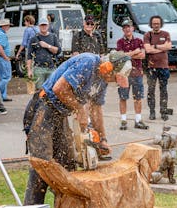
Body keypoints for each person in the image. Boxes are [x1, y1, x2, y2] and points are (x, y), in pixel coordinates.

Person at [23, 51, 132, 205]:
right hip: (44, 108)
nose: (113, 81)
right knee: (42, 164)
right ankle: (32, 206)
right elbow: (59, 88)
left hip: (61, 114)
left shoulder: (102, 80)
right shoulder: (87, 62)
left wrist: (102, 139)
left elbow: (96, 109)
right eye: (114, 77)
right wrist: (80, 109)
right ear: (108, 67)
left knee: (67, 164)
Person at [116, 18, 148, 130]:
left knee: (138, 97)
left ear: (132, 28)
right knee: (123, 97)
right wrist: (135, 52)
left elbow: (143, 55)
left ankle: (138, 120)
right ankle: (123, 121)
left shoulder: (139, 41)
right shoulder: (120, 42)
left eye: (128, 26)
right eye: (125, 27)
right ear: (123, 30)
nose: (127, 29)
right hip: (124, 74)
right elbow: (120, 57)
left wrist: (127, 55)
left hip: (137, 73)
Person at [144, 15, 172, 121]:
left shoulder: (166, 34)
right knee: (151, 90)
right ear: (151, 24)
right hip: (151, 67)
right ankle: (152, 112)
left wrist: (154, 47)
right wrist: (162, 48)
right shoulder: (147, 35)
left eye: (158, 23)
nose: (156, 25)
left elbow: (169, 46)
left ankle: (163, 111)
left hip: (163, 67)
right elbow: (147, 49)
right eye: (154, 23)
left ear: (161, 24)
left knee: (163, 89)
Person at [27, 18, 61, 90]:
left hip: (52, 68)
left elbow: (58, 51)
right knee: (39, 91)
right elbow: (29, 55)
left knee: (51, 90)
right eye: (42, 25)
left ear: (48, 26)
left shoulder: (53, 36)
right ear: (39, 26)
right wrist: (29, 70)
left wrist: (47, 46)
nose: (43, 27)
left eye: (45, 25)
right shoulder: (34, 38)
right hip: (38, 68)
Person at [0, 18, 13, 102]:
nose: (9, 27)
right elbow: (0, 48)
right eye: (8, 26)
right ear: (4, 26)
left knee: (2, 77)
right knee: (7, 77)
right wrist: (6, 57)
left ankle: (3, 96)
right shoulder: (2, 35)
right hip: (2, 58)